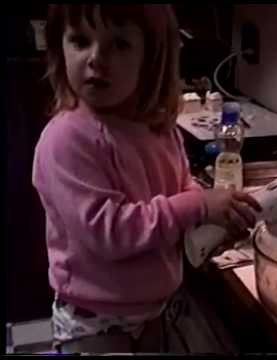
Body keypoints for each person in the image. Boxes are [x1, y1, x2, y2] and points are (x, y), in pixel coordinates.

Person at [32, 4, 261, 354]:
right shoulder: (67, 139)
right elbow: (108, 232)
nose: (95, 58)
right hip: (94, 320)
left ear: (152, 59)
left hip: (154, 310)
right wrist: (198, 204)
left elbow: (181, 187)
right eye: (80, 40)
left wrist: (213, 221)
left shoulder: (157, 129)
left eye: (119, 45)